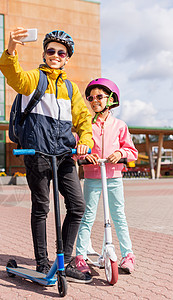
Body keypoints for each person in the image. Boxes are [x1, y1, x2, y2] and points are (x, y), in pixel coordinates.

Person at [0, 28, 94, 283]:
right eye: (51, 51)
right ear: (44, 53)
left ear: (67, 58)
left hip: (63, 155)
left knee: (77, 206)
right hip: (37, 153)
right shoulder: (33, 79)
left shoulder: (71, 89)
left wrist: (84, 141)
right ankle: (42, 262)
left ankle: (65, 260)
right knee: (41, 207)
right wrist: (11, 50)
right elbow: (13, 75)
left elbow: (83, 121)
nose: (55, 55)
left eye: (61, 52)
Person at [74, 78, 138, 275]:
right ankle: (80, 256)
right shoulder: (87, 125)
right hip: (93, 177)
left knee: (118, 216)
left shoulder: (120, 125)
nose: (94, 101)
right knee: (87, 216)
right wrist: (85, 155)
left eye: (99, 97)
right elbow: (77, 150)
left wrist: (121, 154)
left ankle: (128, 255)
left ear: (111, 99)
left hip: (114, 177)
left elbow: (131, 151)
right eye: (91, 98)